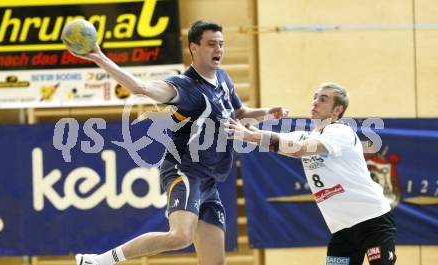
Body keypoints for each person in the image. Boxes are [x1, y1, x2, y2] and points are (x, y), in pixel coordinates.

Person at [71, 20, 288, 265]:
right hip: (185, 171)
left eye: (221, 44)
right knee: (180, 236)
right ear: (194, 48)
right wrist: (101, 58)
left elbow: (237, 113)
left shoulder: (223, 79)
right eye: (211, 44)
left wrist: (266, 112)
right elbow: (141, 88)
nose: (218, 49)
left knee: (215, 262)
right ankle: (98, 261)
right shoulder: (184, 86)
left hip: (209, 180)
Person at [225, 82, 397, 265]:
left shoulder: (341, 131)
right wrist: (242, 117)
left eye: (323, 99)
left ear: (337, 110)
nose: (315, 102)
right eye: (315, 97)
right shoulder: (304, 135)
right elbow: (260, 135)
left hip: (373, 220)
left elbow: (298, 149)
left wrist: (248, 135)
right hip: (342, 230)